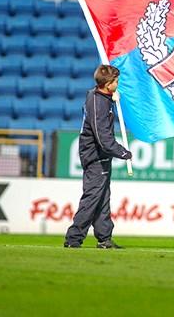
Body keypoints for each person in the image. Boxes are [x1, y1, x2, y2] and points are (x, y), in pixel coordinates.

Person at [64, 65, 132, 249]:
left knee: (102, 198)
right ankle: (74, 238)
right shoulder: (98, 103)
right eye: (116, 82)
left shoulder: (100, 98)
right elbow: (103, 138)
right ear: (108, 84)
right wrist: (122, 152)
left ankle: (104, 238)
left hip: (99, 155)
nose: (118, 84)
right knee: (93, 197)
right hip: (95, 155)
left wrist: (111, 99)